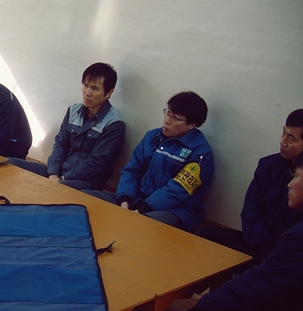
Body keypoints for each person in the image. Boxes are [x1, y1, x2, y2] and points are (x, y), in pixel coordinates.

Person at [162, 146, 303, 311]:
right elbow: (251, 212)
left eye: (298, 176)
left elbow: (256, 285)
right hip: (285, 292)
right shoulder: (270, 167)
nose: (290, 184)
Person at [84, 91, 214, 232]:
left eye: (175, 118)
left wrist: (143, 209)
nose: (167, 120)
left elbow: (177, 191)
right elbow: (132, 171)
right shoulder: (152, 136)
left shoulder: (201, 154)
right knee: (84, 198)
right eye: (168, 113)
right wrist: (125, 201)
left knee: (136, 226)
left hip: (175, 210)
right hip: (136, 200)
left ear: (192, 125)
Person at [196, 109, 303, 260]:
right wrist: (262, 248)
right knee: (207, 233)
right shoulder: (268, 165)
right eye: (283, 133)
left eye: (291, 138)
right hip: (260, 244)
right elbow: (251, 210)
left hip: (290, 251)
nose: (282, 142)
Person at [8, 63, 125, 191]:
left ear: (109, 93)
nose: (87, 92)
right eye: (85, 85)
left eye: (94, 89)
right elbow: (60, 144)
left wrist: (63, 179)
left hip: (86, 181)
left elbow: (95, 163)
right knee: (9, 163)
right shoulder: (73, 110)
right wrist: (53, 174)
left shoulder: (113, 124)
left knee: (50, 190)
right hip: (58, 172)